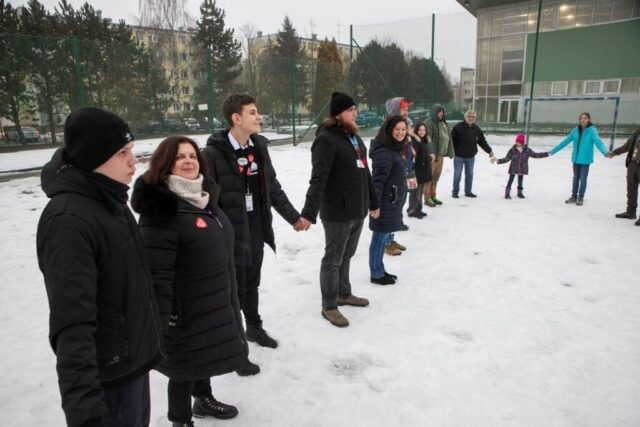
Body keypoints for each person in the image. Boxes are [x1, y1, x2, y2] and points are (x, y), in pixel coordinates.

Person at [36, 107, 163, 427]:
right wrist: (85, 413)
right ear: (94, 157)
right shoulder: (68, 221)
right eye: (122, 153)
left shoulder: (109, 199)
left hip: (132, 368)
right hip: (108, 385)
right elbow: (72, 325)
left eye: (131, 150)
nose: (133, 161)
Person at [131, 137, 247, 427]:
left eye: (193, 156)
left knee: (203, 353)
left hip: (211, 297)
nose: (188, 161)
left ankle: (203, 398)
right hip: (182, 310)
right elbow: (156, 272)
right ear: (165, 164)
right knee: (183, 368)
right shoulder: (162, 209)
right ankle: (180, 421)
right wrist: (163, 318)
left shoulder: (204, 198)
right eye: (179, 157)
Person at [203, 94, 303, 360]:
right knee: (232, 291)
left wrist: (293, 217)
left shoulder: (259, 147)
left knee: (252, 284)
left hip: (256, 229)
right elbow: (207, 200)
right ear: (236, 118)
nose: (259, 117)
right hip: (229, 235)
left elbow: (272, 187)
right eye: (253, 113)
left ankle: (254, 327)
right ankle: (234, 346)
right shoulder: (212, 154)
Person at [299, 92, 380, 327]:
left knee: (347, 255)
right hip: (337, 212)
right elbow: (318, 178)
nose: (355, 113)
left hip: (357, 210)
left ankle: (344, 293)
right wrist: (308, 213)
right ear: (337, 114)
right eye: (350, 110)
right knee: (333, 259)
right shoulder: (326, 140)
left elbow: (366, 174)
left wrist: (373, 203)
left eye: (355, 109)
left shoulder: (354, 139)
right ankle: (329, 305)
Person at [369, 116, 410, 285]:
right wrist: (375, 204)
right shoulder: (384, 151)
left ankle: (380, 270)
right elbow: (377, 180)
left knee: (382, 236)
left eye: (403, 129)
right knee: (379, 238)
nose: (400, 132)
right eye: (397, 129)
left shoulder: (394, 147)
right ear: (389, 130)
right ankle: (376, 274)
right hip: (384, 201)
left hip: (391, 199)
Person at [549, 112, 609, 206]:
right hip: (576, 159)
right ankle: (574, 196)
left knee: (583, 178)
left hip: (585, 159)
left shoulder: (592, 131)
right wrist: (553, 151)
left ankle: (580, 197)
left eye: (585, 118)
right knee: (575, 178)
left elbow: (598, 142)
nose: (582, 120)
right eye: (581, 118)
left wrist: (605, 152)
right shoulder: (575, 130)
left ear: (588, 119)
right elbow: (565, 141)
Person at [450, 110, 494, 198]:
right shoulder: (458, 127)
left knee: (469, 175)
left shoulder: (476, 129)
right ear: (465, 117)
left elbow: (482, 141)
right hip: (459, 156)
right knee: (457, 175)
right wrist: (450, 152)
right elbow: (451, 141)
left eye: (473, 117)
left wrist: (489, 151)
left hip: (470, 157)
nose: (471, 118)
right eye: (469, 116)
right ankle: (455, 192)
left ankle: (468, 191)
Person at [495, 133, 549, 199]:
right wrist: (500, 161)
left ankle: (519, 193)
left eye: (519, 142)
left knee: (520, 180)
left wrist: (546, 154)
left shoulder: (527, 150)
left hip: (522, 168)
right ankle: (507, 193)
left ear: (522, 143)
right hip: (513, 168)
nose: (517, 143)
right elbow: (507, 158)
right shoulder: (512, 150)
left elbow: (535, 155)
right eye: (517, 141)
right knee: (510, 180)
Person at [607, 127, 640, 226]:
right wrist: (614, 152)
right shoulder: (637, 132)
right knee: (631, 189)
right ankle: (631, 212)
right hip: (633, 163)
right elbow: (627, 146)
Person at [424, 103, 454, 207]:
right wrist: (432, 153)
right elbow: (428, 139)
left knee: (436, 177)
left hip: (440, 155)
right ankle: (427, 198)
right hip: (432, 156)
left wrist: (450, 151)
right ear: (434, 112)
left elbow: (448, 137)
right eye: (439, 112)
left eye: (442, 112)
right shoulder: (428, 123)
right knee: (429, 177)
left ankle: (433, 195)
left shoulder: (443, 123)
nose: (441, 114)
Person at [406, 121, 433, 218]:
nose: (422, 132)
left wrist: (429, 158)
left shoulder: (423, 140)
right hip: (417, 170)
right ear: (416, 131)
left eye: (424, 130)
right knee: (415, 192)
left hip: (423, 170)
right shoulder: (415, 141)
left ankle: (418, 209)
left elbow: (423, 154)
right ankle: (413, 210)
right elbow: (414, 156)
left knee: (419, 191)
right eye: (420, 130)